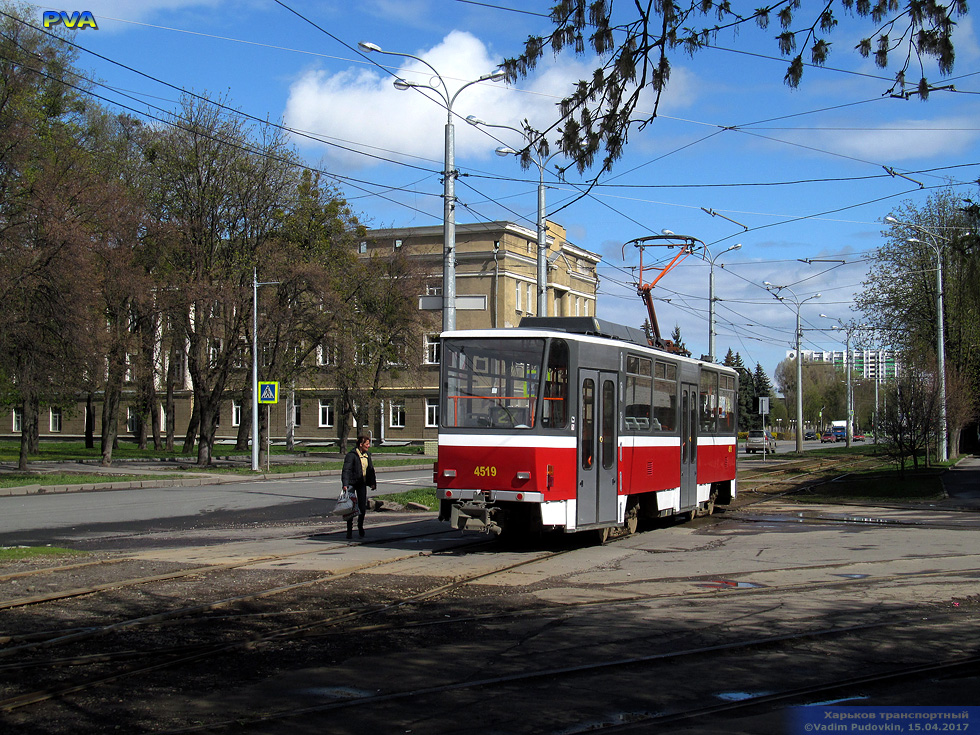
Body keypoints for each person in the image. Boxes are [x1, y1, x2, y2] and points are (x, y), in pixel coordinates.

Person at [341, 434, 376, 539]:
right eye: (367, 444)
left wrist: (373, 483)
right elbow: (346, 470)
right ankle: (349, 530)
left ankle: (360, 525)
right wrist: (345, 484)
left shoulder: (367, 455)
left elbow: (370, 470)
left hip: (361, 483)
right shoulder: (351, 455)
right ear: (361, 444)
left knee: (362, 506)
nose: (368, 446)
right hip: (351, 483)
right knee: (350, 507)